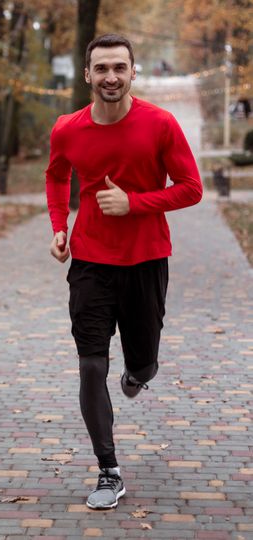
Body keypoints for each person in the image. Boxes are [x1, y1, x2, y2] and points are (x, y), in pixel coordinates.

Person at [44, 34, 202, 509]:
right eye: (101, 68)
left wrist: (134, 203)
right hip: (90, 262)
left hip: (146, 260)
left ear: (133, 72)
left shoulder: (160, 123)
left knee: (143, 361)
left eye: (119, 68)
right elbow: (56, 175)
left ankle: (138, 373)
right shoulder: (67, 128)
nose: (110, 77)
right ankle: (108, 470)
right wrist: (59, 226)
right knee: (91, 365)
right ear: (87, 75)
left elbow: (191, 188)